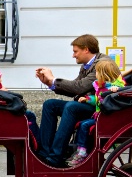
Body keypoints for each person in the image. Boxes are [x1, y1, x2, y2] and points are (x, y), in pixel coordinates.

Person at [35, 34, 109, 167]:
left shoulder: (101, 64)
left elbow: (80, 87)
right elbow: (76, 87)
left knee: (71, 107)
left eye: (75, 51)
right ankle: (44, 153)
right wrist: (50, 84)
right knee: (50, 104)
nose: (73, 55)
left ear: (86, 49)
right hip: (87, 102)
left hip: (98, 106)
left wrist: (53, 79)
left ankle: (55, 157)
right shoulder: (88, 64)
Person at [66, 59, 125, 167]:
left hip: (105, 118)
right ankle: (78, 149)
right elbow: (98, 100)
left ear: (104, 74)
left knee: (84, 125)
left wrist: (116, 89)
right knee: (80, 124)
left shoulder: (113, 88)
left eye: (97, 72)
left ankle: (82, 153)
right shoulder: (101, 87)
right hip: (99, 116)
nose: (95, 74)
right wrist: (87, 99)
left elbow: (119, 93)